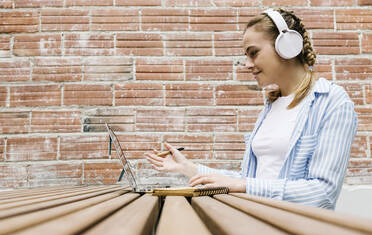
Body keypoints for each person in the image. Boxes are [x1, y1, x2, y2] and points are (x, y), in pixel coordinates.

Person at [145, 8, 358, 209]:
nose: (247, 64)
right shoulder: (272, 105)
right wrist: (188, 168)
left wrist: (245, 185)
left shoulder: (332, 102)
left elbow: (322, 193)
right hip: (260, 222)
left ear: (288, 47)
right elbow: (253, 181)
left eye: (253, 53)